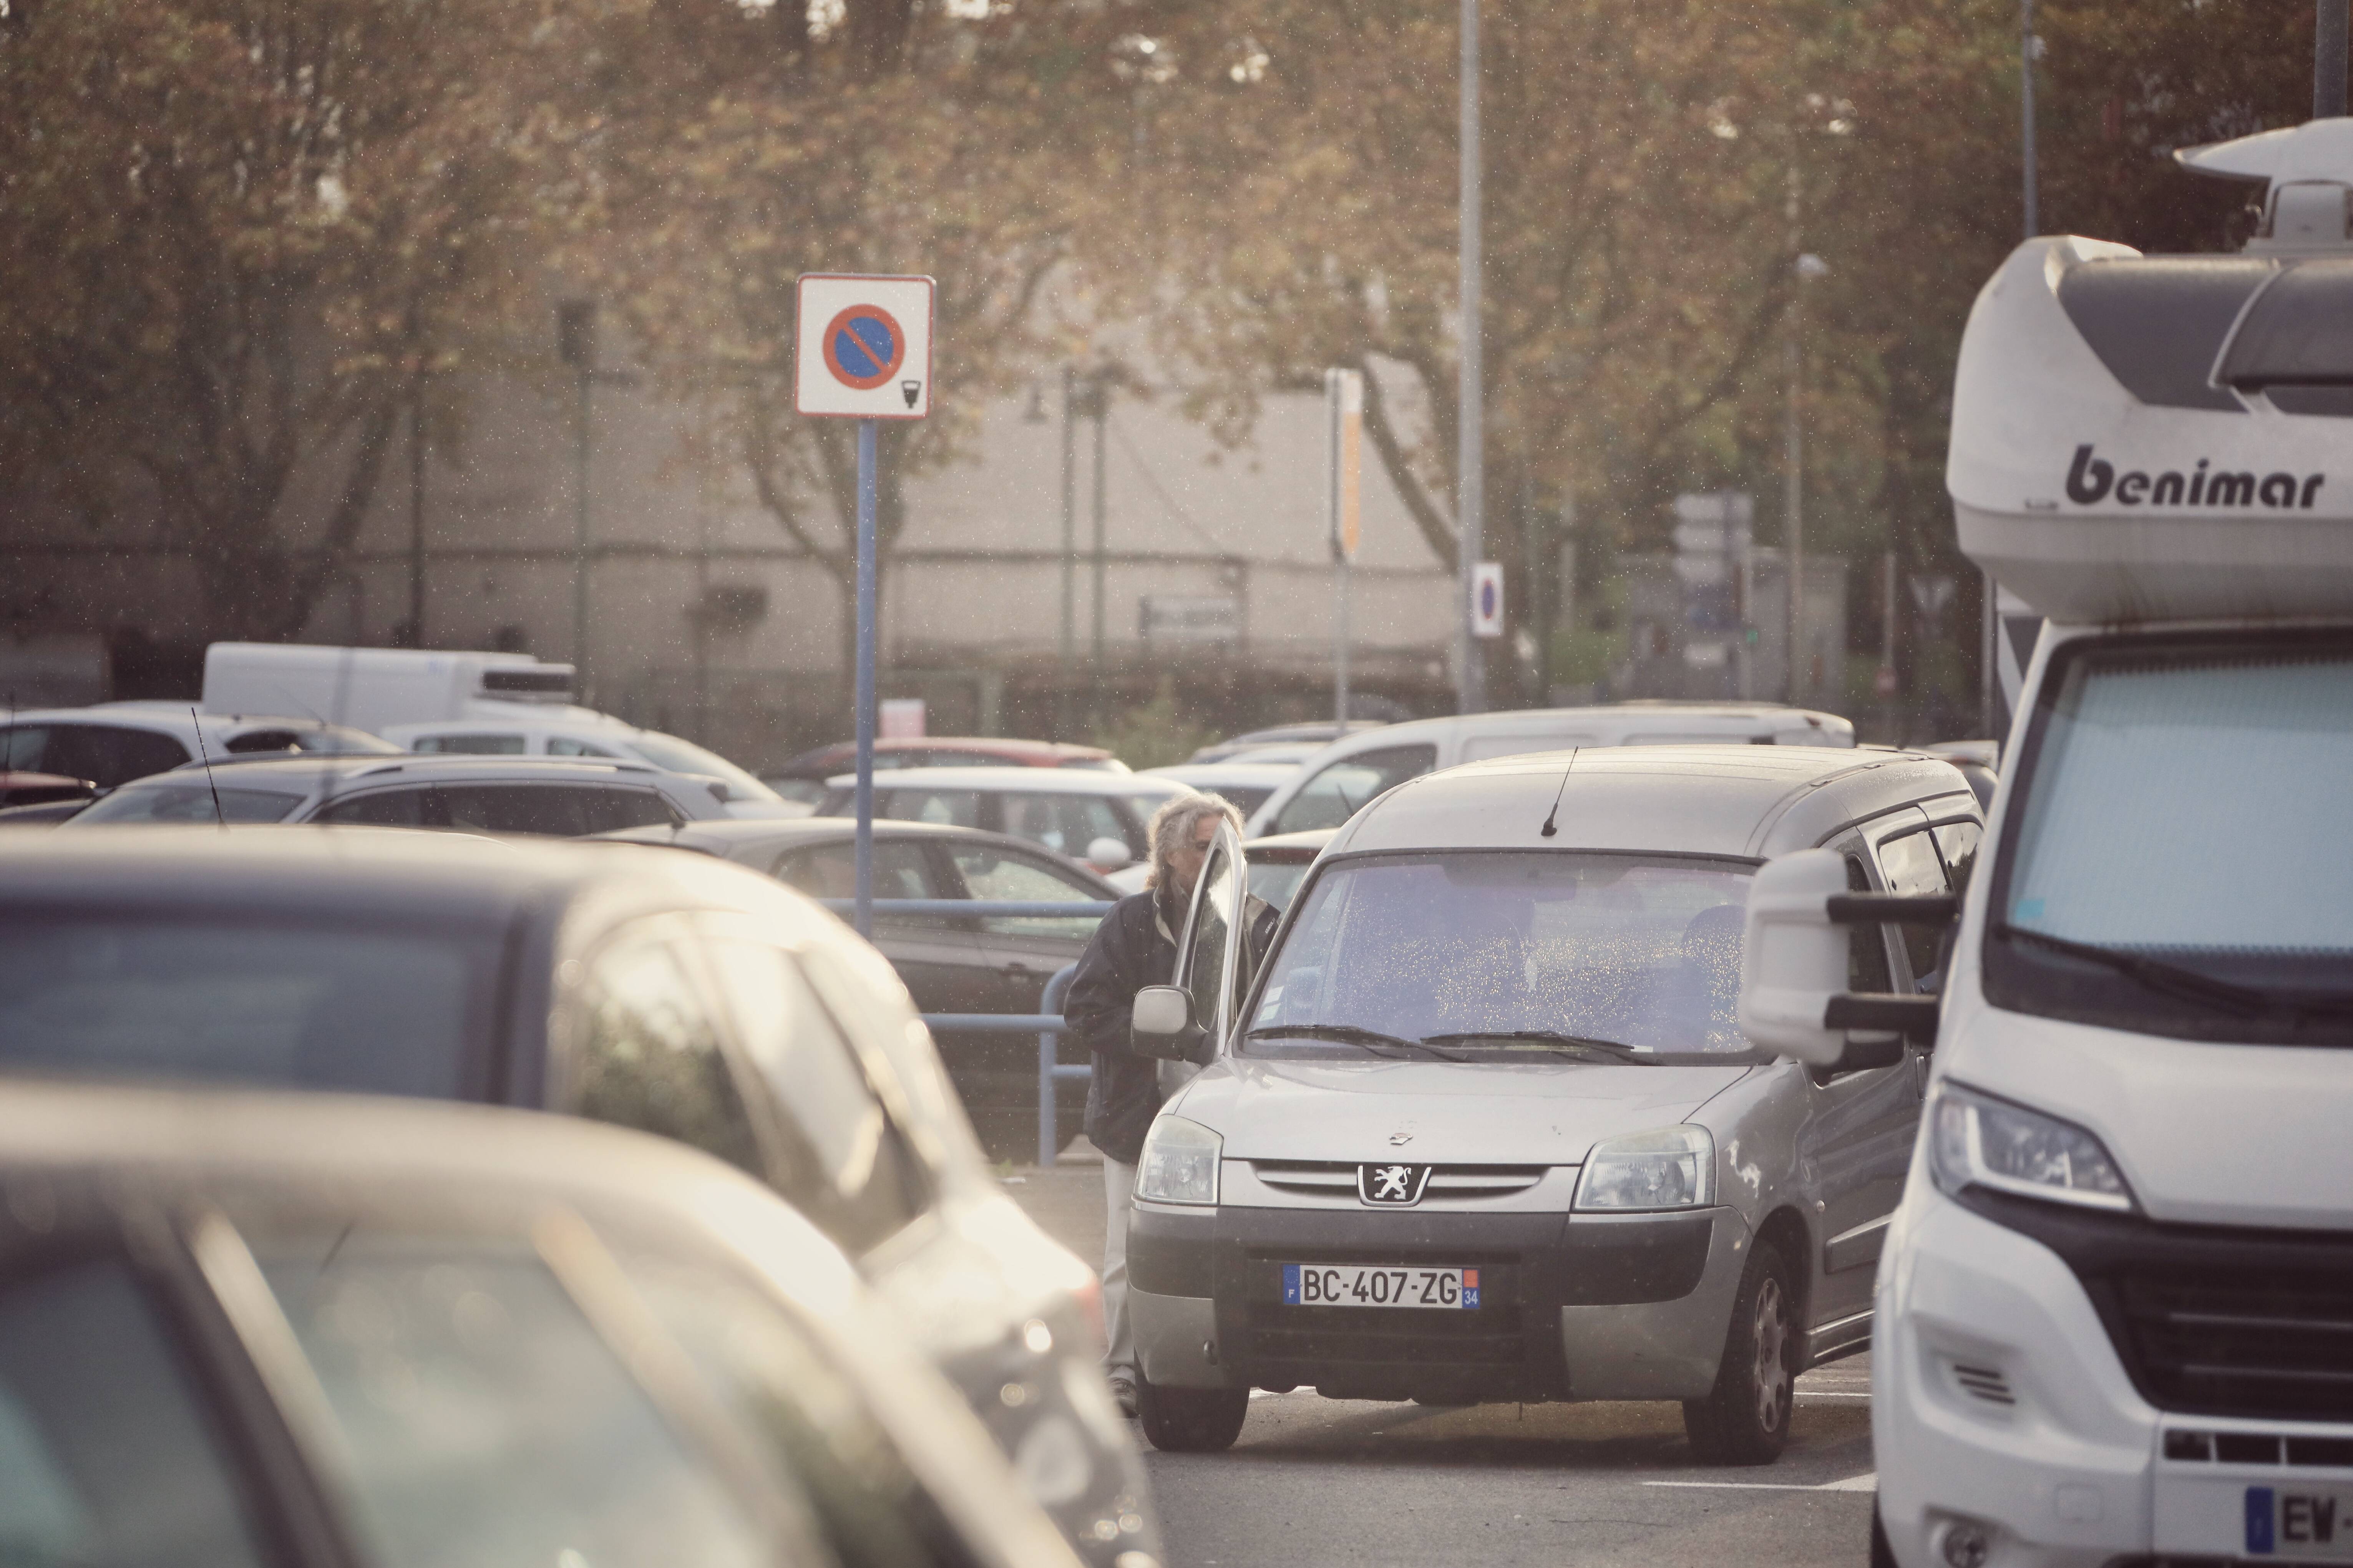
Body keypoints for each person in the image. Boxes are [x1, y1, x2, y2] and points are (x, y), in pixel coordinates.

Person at [1065, 792, 1274, 1416]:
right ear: (1171, 856)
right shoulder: (1132, 921)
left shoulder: (1257, 920)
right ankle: (1124, 1370)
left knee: (1231, 1242)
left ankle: (1228, 1354)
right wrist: (1155, 1031)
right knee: (1128, 1251)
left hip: (1230, 1114)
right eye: (1202, 848)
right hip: (1139, 1111)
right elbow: (1085, 1009)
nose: (1213, 860)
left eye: (1224, 848)